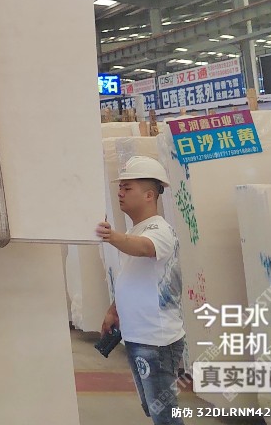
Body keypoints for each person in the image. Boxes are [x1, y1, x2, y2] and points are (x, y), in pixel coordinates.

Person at [97, 155, 186, 425]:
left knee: (165, 415)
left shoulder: (159, 230)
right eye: (120, 187)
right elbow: (134, 276)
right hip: (140, 337)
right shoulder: (138, 229)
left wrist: (112, 236)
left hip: (156, 341)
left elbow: (145, 248)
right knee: (155, 409)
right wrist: (114, 310)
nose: (120, 193)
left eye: (127, 188)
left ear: (149, 195)